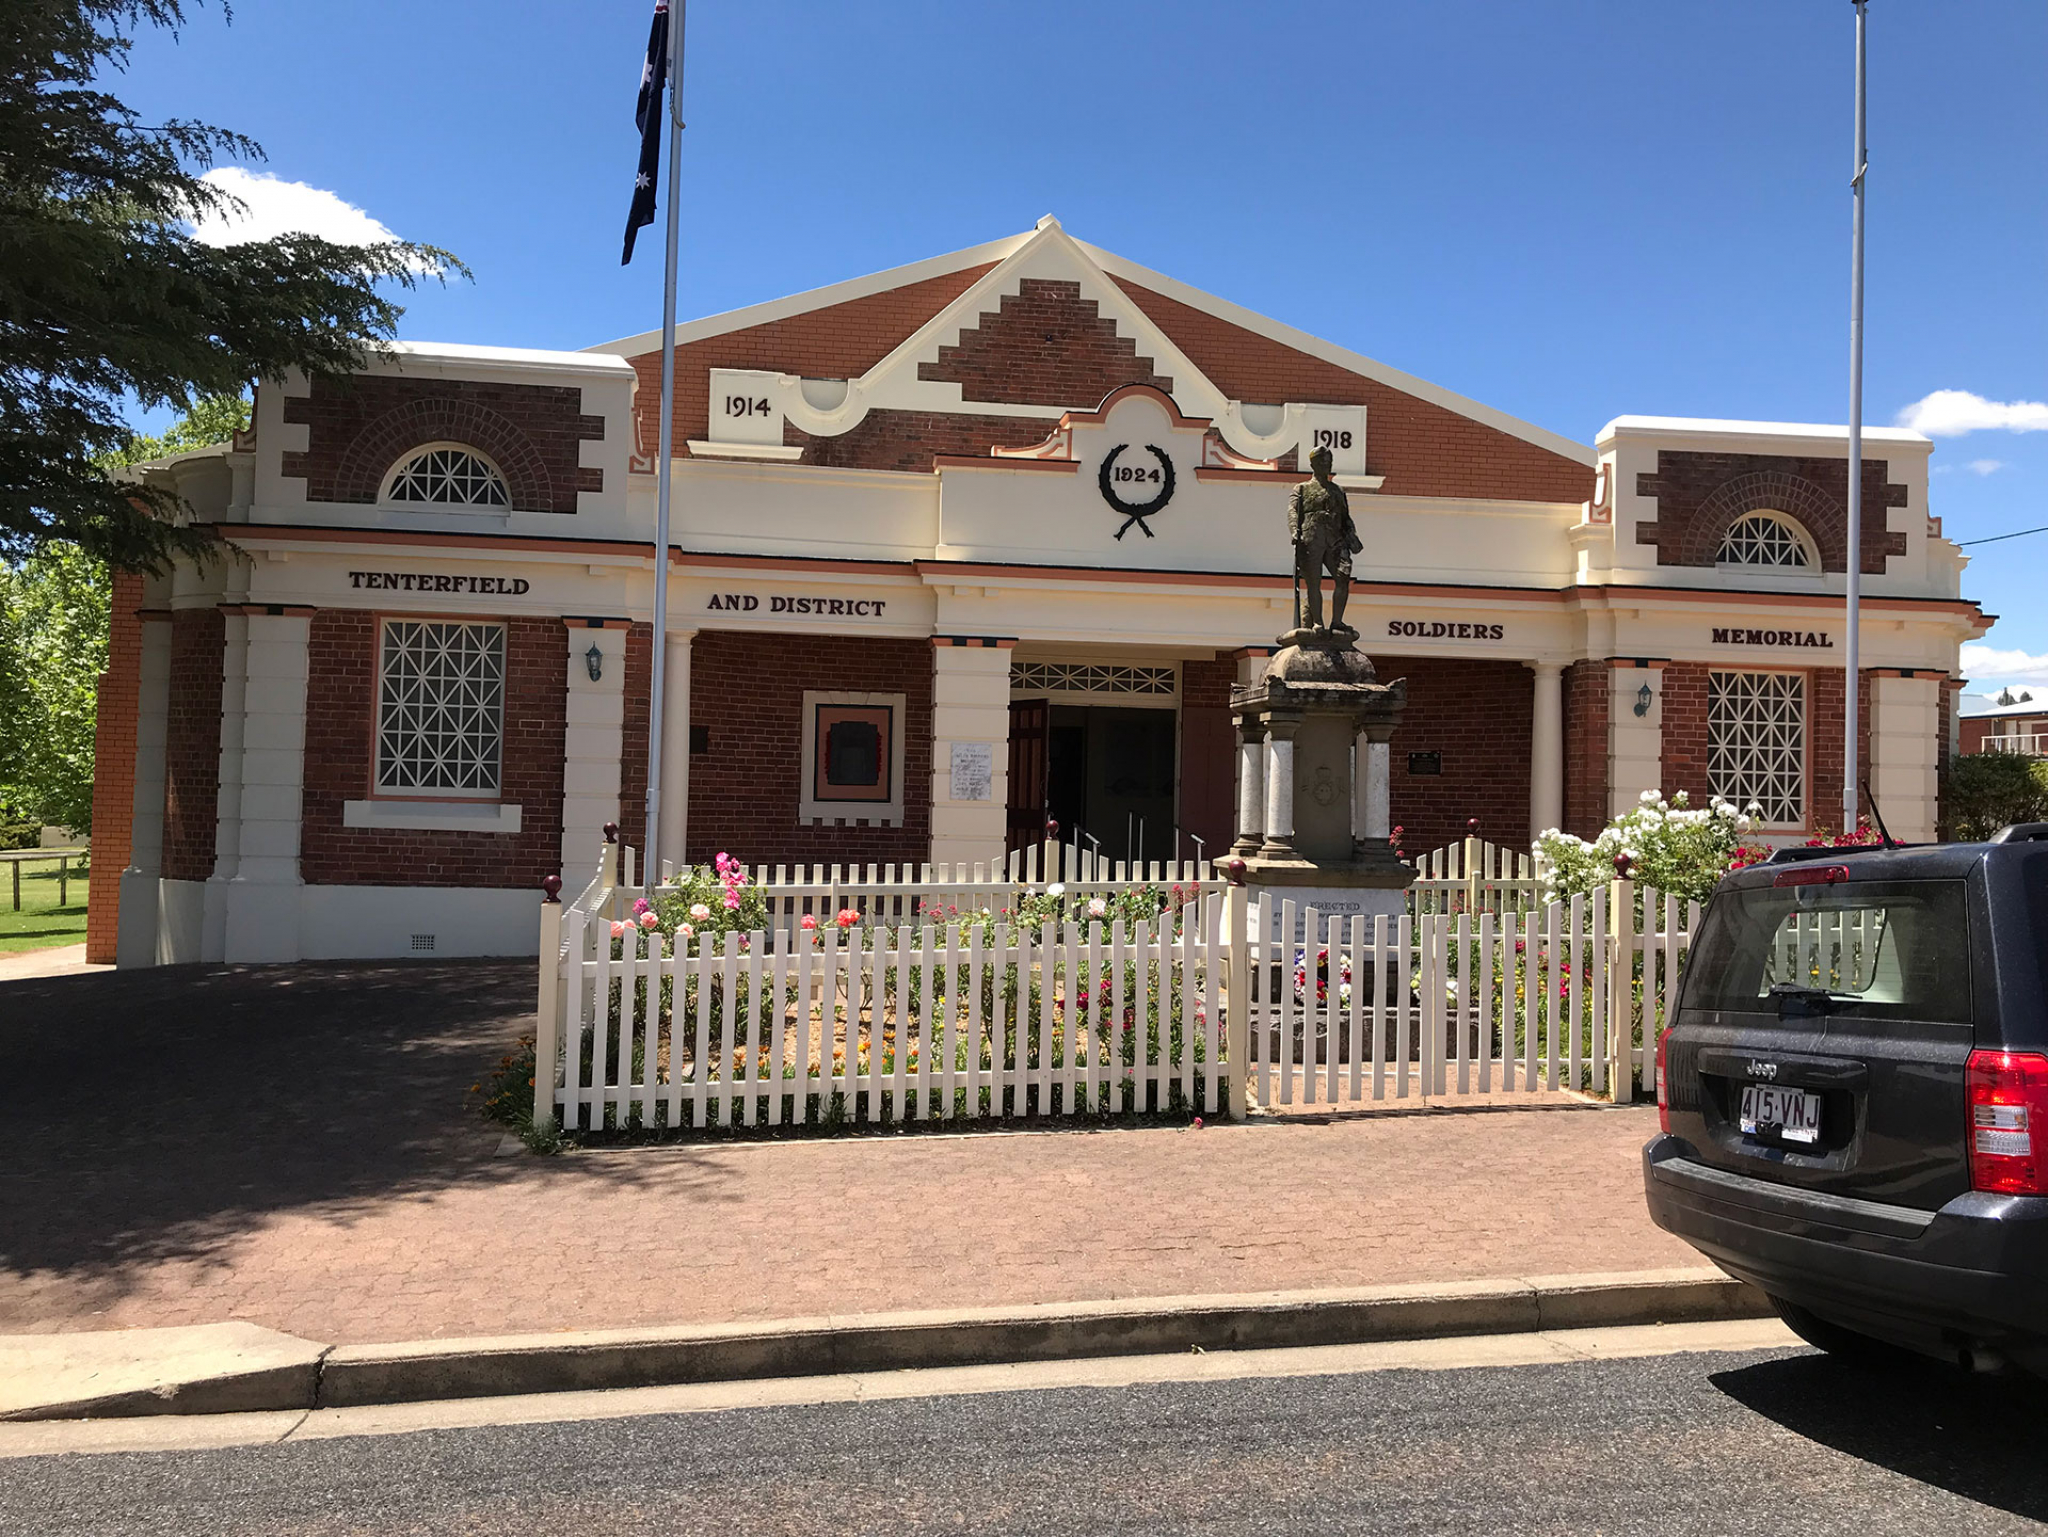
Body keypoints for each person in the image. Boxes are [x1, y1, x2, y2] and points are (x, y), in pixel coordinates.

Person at [1288, 443, 1363, 637]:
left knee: (1343, 576)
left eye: (1329, 461)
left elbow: (1346, 517)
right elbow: (1293, 513)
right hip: (1311, 538)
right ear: (1313, 464)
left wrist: (1352, 536)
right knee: (1314, 582)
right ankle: (1318, 623)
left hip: (1335, 539)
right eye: (1322, 461)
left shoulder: (1337, 491)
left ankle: (1337, 622)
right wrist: (1295, 533)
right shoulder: (1302, 488)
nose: (1326, 465)